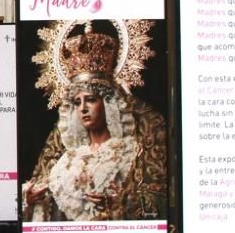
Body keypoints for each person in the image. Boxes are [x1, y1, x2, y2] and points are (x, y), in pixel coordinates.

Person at [23, 23, 167, 222]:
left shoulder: (132, 152)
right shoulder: (66, 160)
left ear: (108, 104)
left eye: (91, 99)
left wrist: (120, 203)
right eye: (77, 102)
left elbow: (156, 200)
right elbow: (48, 206)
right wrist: (31, 199)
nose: (82, 108)